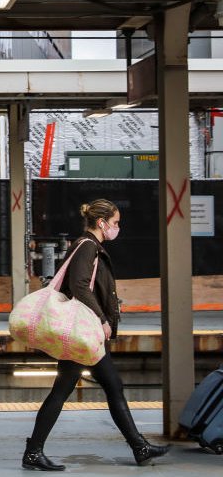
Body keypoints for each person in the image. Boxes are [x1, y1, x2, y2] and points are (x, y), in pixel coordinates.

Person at [22, 199, 169, 471]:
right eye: (115, 223)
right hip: (83, 333)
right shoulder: (88, 246)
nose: (117, 228)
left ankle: (139, 447)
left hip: (85, 334)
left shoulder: (89, 246)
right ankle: (33, 452)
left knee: (107, 386)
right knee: (74, 389)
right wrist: (101, 318)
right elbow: (79, 284)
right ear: (101, 223)